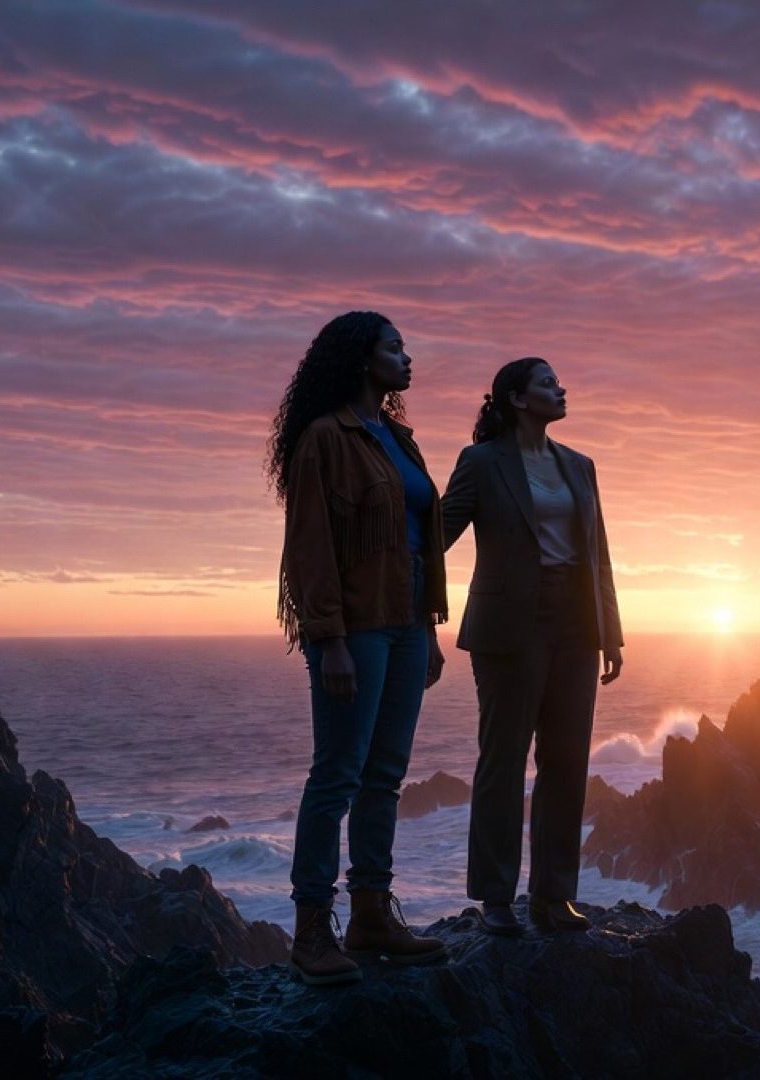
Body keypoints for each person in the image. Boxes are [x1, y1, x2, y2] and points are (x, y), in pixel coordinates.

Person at [269, 310, 450, 984]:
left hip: (406, 624)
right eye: (394, 347)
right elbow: (310, 548)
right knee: (337, 774)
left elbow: (415, 539)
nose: (407, 358)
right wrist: (329, 640)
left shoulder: (398, 438)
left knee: (386, 774)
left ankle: (372, 912)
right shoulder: (324, 439)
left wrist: (428, 629)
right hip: (355, 628)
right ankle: (312, 928)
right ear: (360, 358)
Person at [442, 356, 624, 936]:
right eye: (548, 383)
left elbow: (599, 555)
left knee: (567, 761)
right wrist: (404, 604)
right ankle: (496, 898)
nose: (561, 388)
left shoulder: (580, 465)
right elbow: (434, 537)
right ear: (517, 399)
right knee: (503, 758)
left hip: (576, 621)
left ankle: (553, 896)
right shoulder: (480, 462)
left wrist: (610, 631)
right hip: (508, 625)